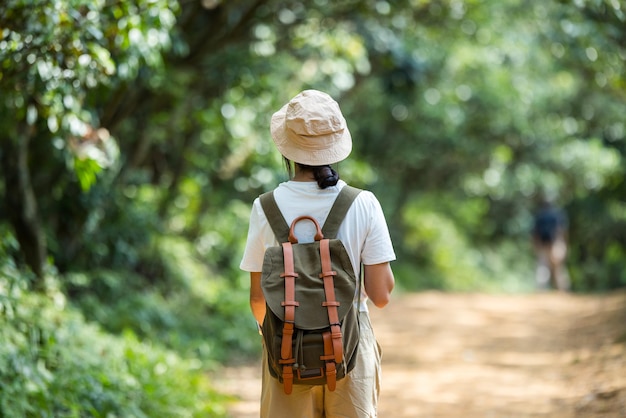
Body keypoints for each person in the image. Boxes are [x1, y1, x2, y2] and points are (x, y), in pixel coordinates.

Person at [240, 89, 396, 417]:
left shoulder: (264, 207)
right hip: (350, 347)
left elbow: (258, 300)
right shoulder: (363, 203)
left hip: (285, 348)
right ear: (335, 147)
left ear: (288, 149)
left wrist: (284, 332)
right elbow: (380, 295)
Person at [532, 201, 570, 291]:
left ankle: (541, 289)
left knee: (543, 266)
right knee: (558, 268)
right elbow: (562, 231)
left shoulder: (540, 216)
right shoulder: (558, 215)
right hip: (556, 244)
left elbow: (535, 233)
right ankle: (563, 289)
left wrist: (536, 245)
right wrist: (564, 243)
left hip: (543, 245)